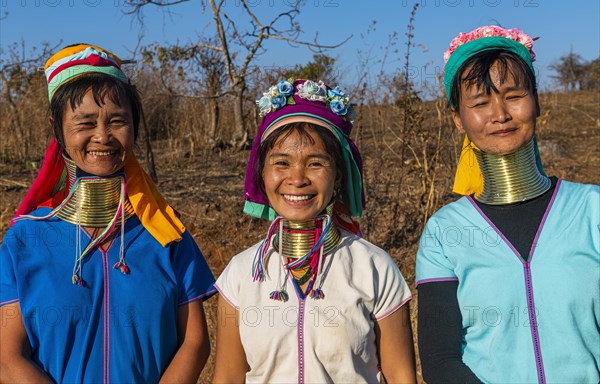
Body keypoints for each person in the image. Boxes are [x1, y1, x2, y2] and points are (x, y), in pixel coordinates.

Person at [0, 44, 216, 383]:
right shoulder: (24, 240)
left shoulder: (165, 233)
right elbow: (8, 358)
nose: (102, 136)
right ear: (56, 127)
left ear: (134, 126)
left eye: (117, 121)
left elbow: (195, 341)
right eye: (85, 122)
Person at [416, 25, 599, 383]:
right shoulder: (444, 232)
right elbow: (440, 359)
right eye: (481, 103)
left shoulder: (592, 210)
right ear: (458, 119)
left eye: (513, 95)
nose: (500, 114)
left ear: (537, 101)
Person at [212, 79, 416, 383]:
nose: (297, 179)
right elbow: (228, 377)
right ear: (261, 173)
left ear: (338, 175)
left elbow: (401, 375)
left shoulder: (375, 267)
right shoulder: (240, 274)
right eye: (281, 162)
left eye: (316, 163)